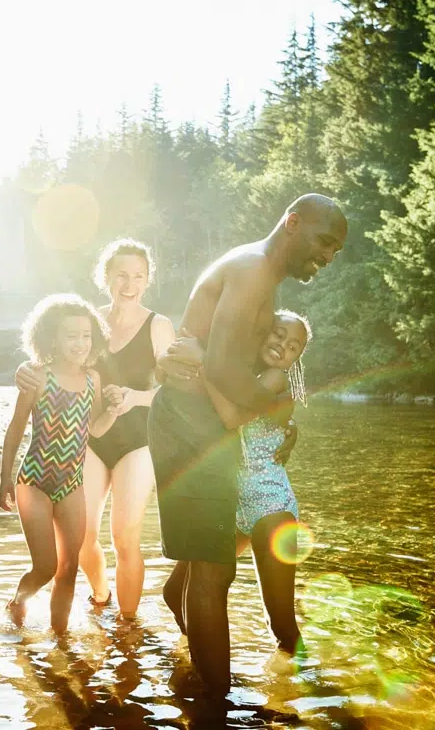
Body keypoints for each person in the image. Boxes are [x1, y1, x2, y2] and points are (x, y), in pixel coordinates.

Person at [149, 193, 346, 694]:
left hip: (210, 429)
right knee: (214, 575)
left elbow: (226, 362)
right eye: (324, 243)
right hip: (191, 428)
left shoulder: (262, 278)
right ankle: (215, 707)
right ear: (292, 222)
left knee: (208, 572)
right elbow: (220, 370)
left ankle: (207, 691)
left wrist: (279, 418)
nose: (326, 257)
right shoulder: (254, 268)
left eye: (335, 251)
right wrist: (254, 401)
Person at [15, 240, 175, 619]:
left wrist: (135, 398)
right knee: (83, 537)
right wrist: (23, 370)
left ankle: (128, 627)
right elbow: (53, 358)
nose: (129, 283)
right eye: (121, 274)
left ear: (148, 279)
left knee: (124, 536)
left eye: (138, 275)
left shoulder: (159, 326)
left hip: (137, 441)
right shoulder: (90, 322)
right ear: (106, 277)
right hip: (91, 439)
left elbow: (175, 391)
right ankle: (101, 594)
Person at [162, 311, 313, 657]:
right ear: (260, 332)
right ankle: (196, 655)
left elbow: (231, 416)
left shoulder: (274, 378)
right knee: (174, 593)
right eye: (277, 335)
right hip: (230, 505)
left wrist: (204, 361)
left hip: (270, 506)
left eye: (293, 347)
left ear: (295, 360)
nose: (282, 347)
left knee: (282, 625)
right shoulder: (239, 374)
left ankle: (302, 688)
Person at [0, 294, 122, 634]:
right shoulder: (37, 377)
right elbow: (16, 427)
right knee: (45, 567)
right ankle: (18, 601)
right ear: (52, 337)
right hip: (34, 480)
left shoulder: (93, 379)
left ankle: (60, 640)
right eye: (71, 335)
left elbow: (93, 427)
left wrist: (111, 411)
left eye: (86, 335)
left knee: (68, 569)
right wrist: (4, 477)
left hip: (72, 484)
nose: (80, 343)